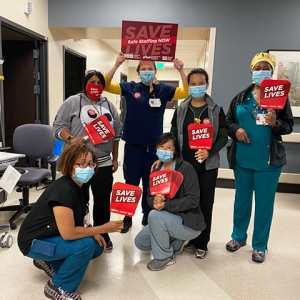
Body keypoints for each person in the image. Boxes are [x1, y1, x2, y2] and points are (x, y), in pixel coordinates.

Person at [17, 143, 124, 300]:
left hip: (51, 234)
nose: (87, 168)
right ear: (70, 164)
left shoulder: (79, 185)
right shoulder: (64, 190)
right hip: (33, 242)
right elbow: (68, 233)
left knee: (96, 247)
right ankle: (58, 286)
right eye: (81, 164)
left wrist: (92, 230)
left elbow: (81, 217)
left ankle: (47, 260)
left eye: (90, 164)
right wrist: (101, 229)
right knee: (85, 246)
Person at [104, 52, 189, 233]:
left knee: (151, 183)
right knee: (130, 183)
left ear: (155, 72)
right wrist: (117, 64)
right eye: (144, 69)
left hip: (154, 148)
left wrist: (181, 70)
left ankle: (147, 214)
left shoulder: (163, 90)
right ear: (138, 71)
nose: (147, 71)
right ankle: (126, 217)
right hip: (133, 146)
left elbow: (186, 91)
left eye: (150, 68)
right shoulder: (129, 87)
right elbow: (106, 85)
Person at [226, 52, 294, 263]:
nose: (261, 71)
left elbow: (288, 127)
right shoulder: (240, 97)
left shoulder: (279, 99)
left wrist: (275, 123)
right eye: (258, 68)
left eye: (266, 68)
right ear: (251, 70)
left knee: (264, 204)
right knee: (241, 201)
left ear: (271, 72)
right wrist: (236, 129)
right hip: (243, 160)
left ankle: (260, 245)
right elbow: (228, 121)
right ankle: (238, 237)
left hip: (268, 162)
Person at [53, 68, 122, 250]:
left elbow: (116, 135)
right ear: (85, 84)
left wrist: (115, 158)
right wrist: (70, 138)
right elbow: (58, 127)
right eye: (92, 82)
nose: (96, 85)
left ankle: (103, 235)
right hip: (78, 162)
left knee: (102, 201)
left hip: (103, 162)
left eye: (99, 83)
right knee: (78, 201)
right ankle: (81, 235)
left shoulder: (109, 105)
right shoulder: (73, 102)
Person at [170, 68, 228, 259]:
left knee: (205, 203)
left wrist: (209, 151)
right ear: (188, 86)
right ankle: (190, 237)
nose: (197, 87)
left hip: (207, 167)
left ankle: (202, 242)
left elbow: (223, 135)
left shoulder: (216, 109)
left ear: (207, 84)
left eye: (200, 83)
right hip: (185, 165)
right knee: (187, 203)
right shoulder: (181, 109)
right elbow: (173, 134)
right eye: (192, 84)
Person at [134, 132, 205, 271]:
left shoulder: (185, 168)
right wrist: (154, 201)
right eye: (161, 147)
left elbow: (193, 200)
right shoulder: (156, 168)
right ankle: (177, 243)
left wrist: (166, 205)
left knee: (154, 215)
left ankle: (164, 257)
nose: (164, 151)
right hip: (167, 219)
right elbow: (149, 196)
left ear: (175, 150)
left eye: (169, 148)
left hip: (187, 220)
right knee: (140, 242)